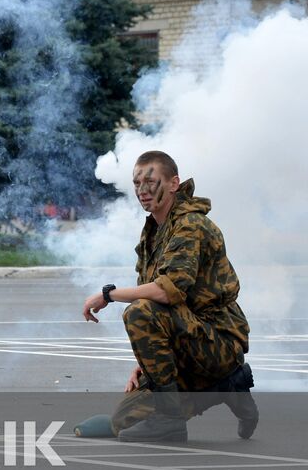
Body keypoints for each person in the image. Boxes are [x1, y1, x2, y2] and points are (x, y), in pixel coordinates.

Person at [82, 150, 258, 443]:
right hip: (188, 339)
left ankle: (172, 420)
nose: (143, 190)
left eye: (151, 181)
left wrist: (108, 295)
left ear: (174, 183)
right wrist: (145, 363)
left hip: (217, 340)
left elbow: (165, 291)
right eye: (137, 183)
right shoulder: (154, 231)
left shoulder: (190, 225)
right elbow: (157, 304)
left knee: (139, 312)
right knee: (123, 418)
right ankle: (230, 386)